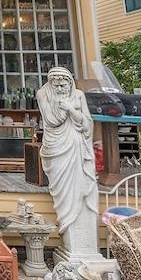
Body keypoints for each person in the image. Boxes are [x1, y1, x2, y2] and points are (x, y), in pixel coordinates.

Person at [36, 66, 101, 262]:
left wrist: (71, 108)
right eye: (56, 84)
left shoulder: (79, 96)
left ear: (70, 82)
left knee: (82, 190)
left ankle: (82, 245)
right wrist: (64, 108)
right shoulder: (43, 94)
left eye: (64, 83)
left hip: (77, 150)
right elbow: (51, 120)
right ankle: (68, 234)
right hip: (57, 148)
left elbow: (87, 124)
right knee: (63, 192)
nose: (60, 87)